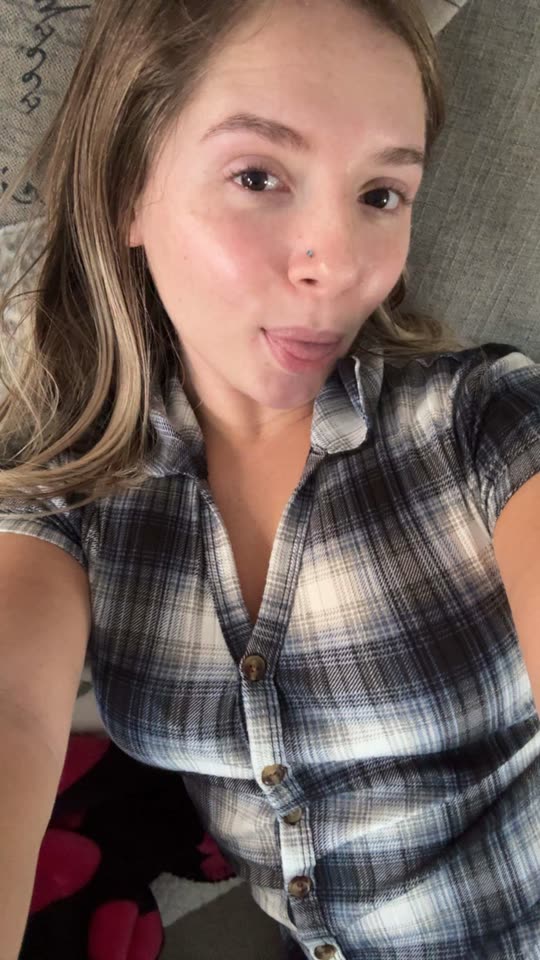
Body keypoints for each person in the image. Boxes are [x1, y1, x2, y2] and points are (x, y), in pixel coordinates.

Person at [0, 0, 539, 957]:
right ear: (128, 189)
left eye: (382, 194)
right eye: (258, 176)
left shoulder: (480, 421)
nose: (339, 267)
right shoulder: (74, 486)